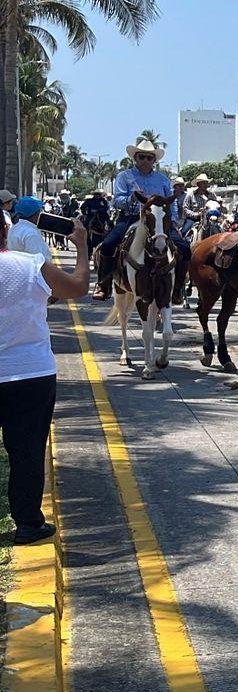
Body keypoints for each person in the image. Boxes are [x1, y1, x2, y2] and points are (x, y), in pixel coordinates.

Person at [0, 210, 89, 544]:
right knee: (27, 450)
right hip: (29, 373)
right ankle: (27, 523)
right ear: (5, 232)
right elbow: (78, 286)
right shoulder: (30, 264)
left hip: (26, 372)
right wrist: (81, 246)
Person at [95, 137, 189, 299]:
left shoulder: (163, 179)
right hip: (131, 217)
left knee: (185, 249)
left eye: (149, 157)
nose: (145, 160)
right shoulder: (124, 177)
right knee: (109, 244)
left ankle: (178, 288)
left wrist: (172, 221)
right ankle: (103, 284)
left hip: (159, 221)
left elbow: (170, 203)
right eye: (142, 156)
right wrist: (130, 199)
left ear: (154, 160)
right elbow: (117, 201)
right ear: (135, 158)